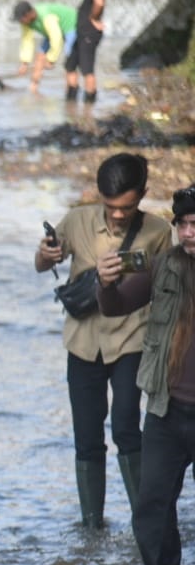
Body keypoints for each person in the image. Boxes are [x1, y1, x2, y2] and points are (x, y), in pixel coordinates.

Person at [34, 153, 172, 528]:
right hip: (83, 343)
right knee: (86, 435)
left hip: (131, 341)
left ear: (142, 195)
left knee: (128, 426)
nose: (116, 215)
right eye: (110, 207)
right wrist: (46, 254)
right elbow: (43, 261)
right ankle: (91, 525)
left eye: (126, 207)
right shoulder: (78, 220)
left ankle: (145, 522)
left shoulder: (158, 232)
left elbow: (167, 291)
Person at [97, 186, 195, 565]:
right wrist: (104, 283)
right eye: (184, 224)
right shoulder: (161, 266)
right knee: (151, 505)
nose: (190, 233)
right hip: (165, 410)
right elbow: (116, 306)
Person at [12, 1, 78, 96]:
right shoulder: (26, 22)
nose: (20, 22)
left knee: (70, 60)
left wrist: (51, 59)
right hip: (52, 30)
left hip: (71, 25)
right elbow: (27, 41)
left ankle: (70, 90)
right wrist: (24, 63)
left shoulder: (46, 16)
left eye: (20, 19)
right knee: (40, 56)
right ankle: (33, 88)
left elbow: (56, 38)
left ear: (28, 14)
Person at [67, 0, 105, 103]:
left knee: (87, 70)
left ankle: (89, 107)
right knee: (70, 66)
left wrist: (94, 18)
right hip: (81, 33)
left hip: (88, 33)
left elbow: (99, 2)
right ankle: (71, 103)